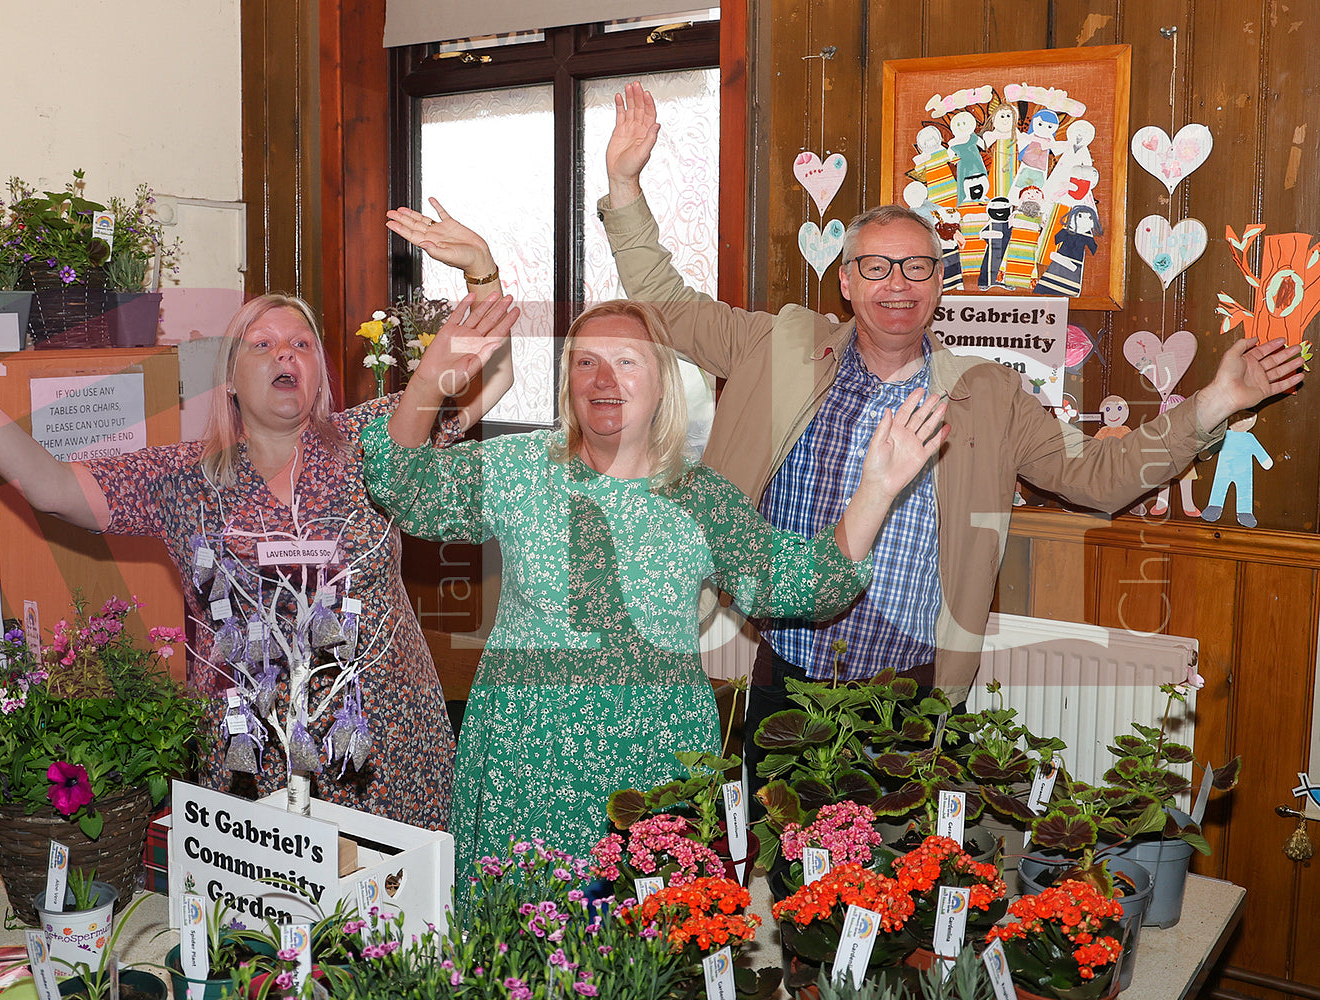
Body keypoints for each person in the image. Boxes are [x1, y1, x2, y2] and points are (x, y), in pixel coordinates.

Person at [596, 81, 1306, 772]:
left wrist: (1215, 402)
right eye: (875, 267)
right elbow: (665, 301)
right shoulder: (779, 346)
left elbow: (1100, 477)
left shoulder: (990, 394)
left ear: (941, 283)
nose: (896, 285)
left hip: (916, 691)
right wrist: (624, 186)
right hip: (788, 672)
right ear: (845, 281)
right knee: (789, 880)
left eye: (916, 268)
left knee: (902, 885)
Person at [0, 289, 515, 831]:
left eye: (302, 343)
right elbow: (48, 486)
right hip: (254, 767)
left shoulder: (375, 436)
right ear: (229, 379)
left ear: (321, 373)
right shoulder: (182, 481)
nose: (287, 353)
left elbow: (496, 376)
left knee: (394, 945)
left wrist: (480, 278)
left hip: (386, 751)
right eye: (264, 343)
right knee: (268, 950)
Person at [360, 293, 947, 885]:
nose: (604, 379)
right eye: (585, 362)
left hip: (656, 761)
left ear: (664, 382)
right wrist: (431, 378)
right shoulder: (519, 469)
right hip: (525, 759)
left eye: (628, 360)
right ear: (567, 384)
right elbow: (403, 484)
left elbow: (805, 584)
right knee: (523, 953)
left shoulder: (702, 499)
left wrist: (876, 490)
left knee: (647, 960)